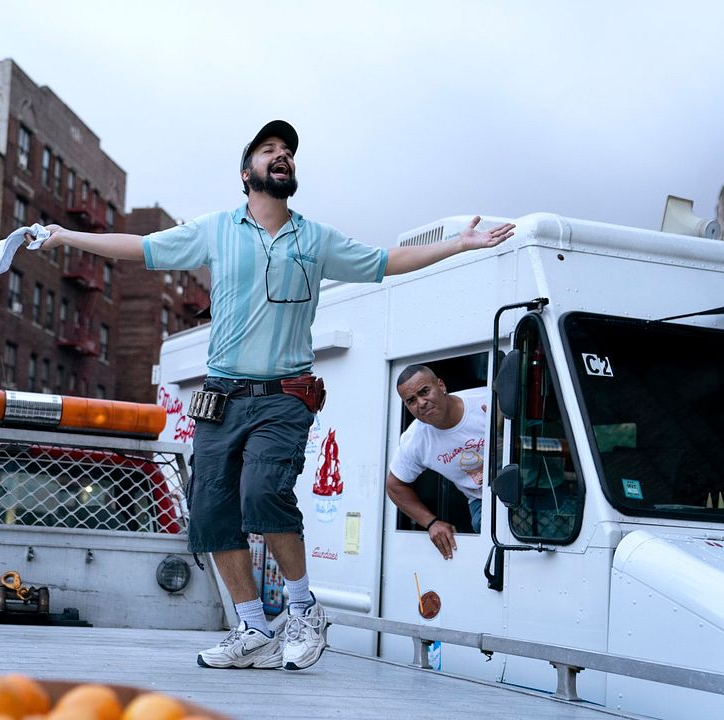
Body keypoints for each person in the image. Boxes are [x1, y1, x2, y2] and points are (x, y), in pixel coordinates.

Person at [26, 120, 514, 670]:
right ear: (247, 174)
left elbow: (386, 262)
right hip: (221, 394)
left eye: (287, 151)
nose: (282, 155)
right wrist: (66, 237)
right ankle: (253, 627)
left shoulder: (315, 239)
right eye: (268, 150)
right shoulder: (216, 230)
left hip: (284, 394)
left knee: (263, 493)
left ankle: (303, 609)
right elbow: (138, 247)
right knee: (211, 511)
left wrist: (459, 245)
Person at [386, 365, 491, 560]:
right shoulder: (416, 439)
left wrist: (503, 432)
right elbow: (394, 485)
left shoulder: (486, 401)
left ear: (441, 386)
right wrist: (431, 523)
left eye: (424, 392)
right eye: (411, 400)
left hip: (526, 484)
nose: (421, 403)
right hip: (482, 501)